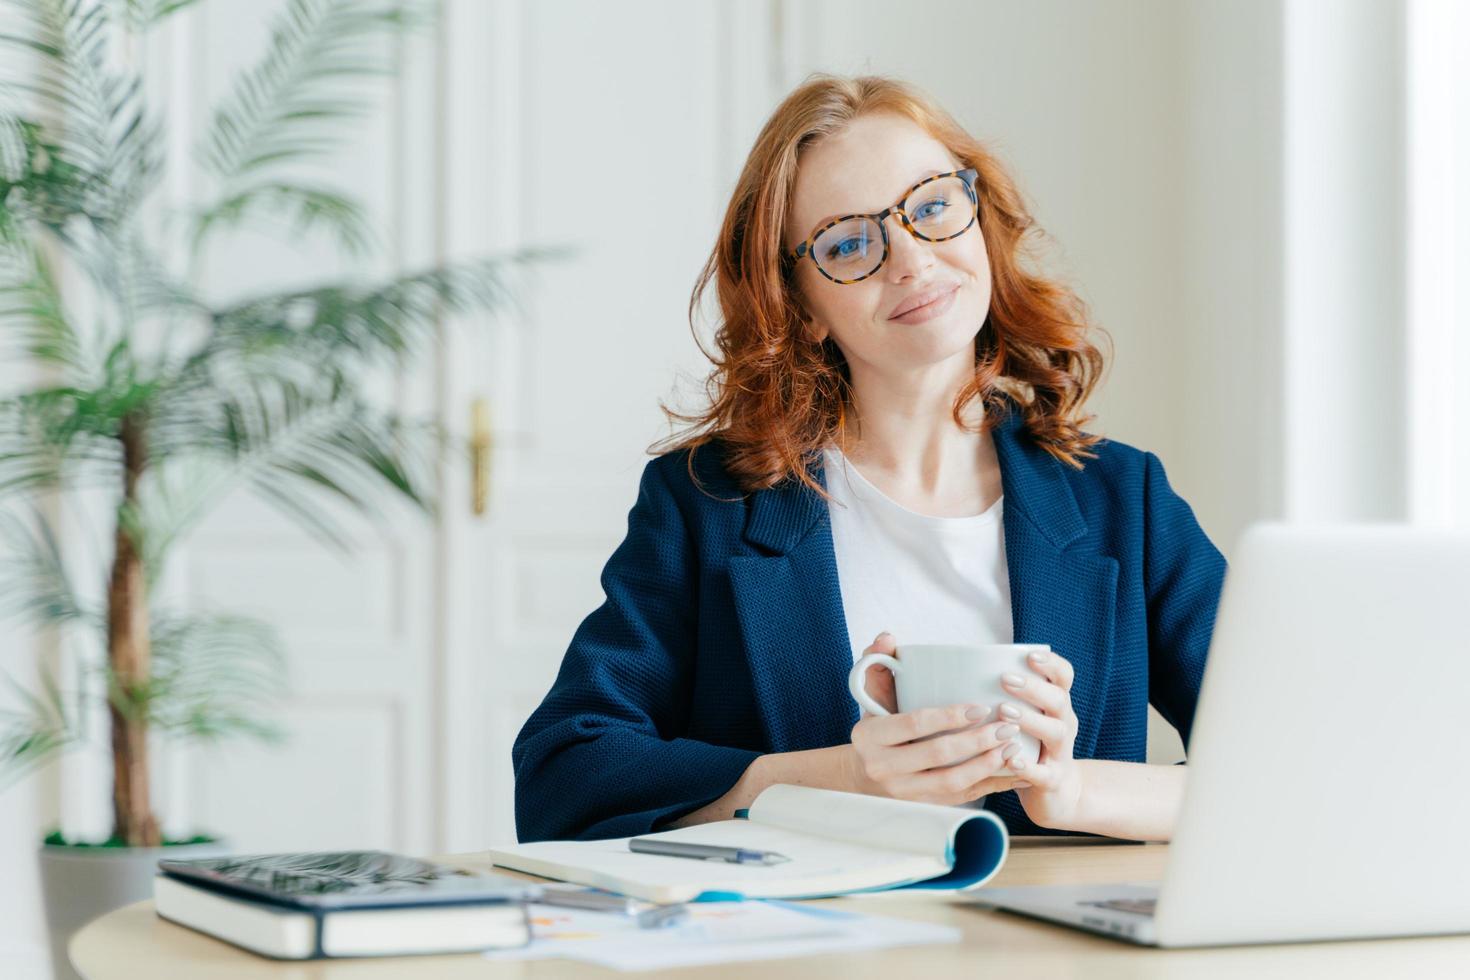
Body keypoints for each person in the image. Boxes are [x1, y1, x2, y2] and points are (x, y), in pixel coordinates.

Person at [512, 74, 1226, 844]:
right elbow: (564, 775)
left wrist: (1075, 791)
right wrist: (841, 779)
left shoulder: (1125, 498)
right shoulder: (707, 504)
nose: (911, 259)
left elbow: (1299, 763)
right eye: (850, 242)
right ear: (801, 308)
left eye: (932, 206)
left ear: (979, 219)